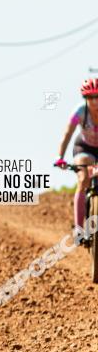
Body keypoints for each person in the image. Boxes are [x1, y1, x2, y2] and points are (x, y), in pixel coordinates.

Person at [55, 78, 98, 235]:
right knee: (83, 178)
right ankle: (79, 229)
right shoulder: (79, 112)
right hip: (84, 148)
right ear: (85, 98)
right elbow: (67, 134)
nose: (94, 102)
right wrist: (60, 157)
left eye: (97, 97)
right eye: (90, 97)